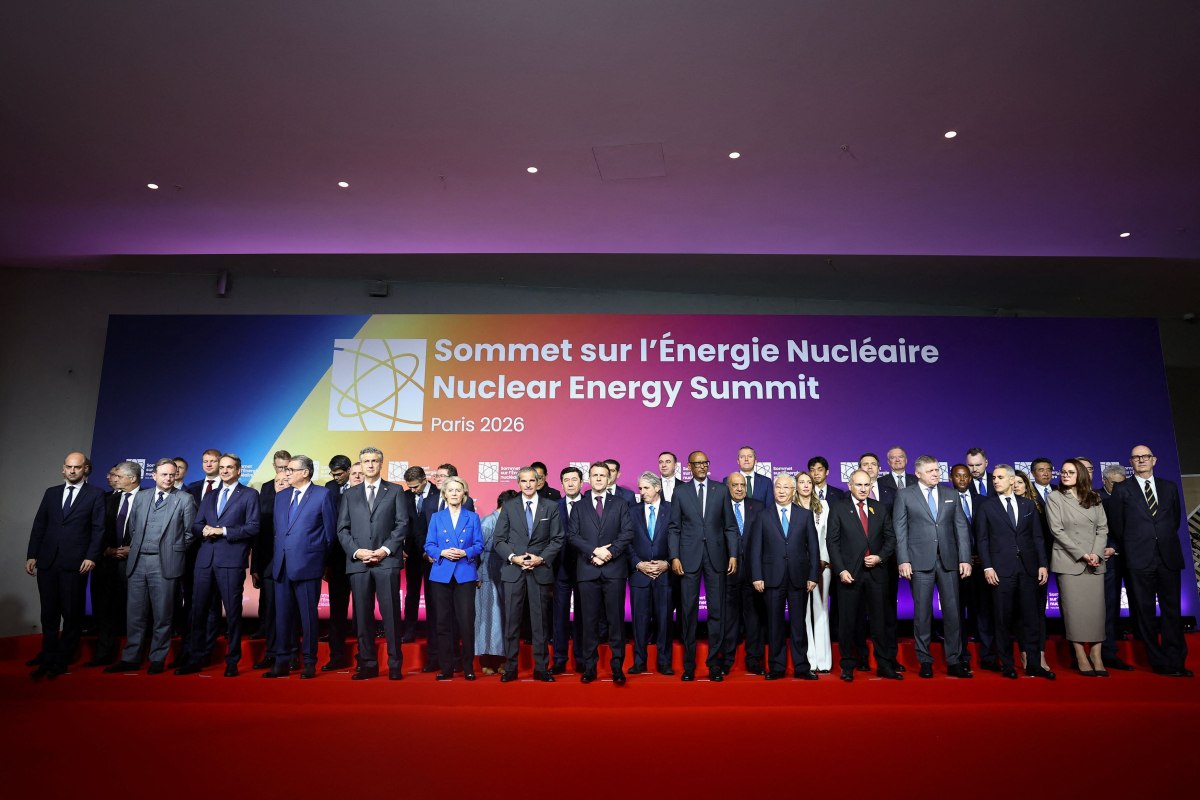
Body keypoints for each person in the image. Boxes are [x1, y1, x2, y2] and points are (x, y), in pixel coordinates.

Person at [105, 458, 196, 675]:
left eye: (172, 474)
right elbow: (133, 528)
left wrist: (172, 551)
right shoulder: (142, 497)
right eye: (164, 474)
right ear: (154, 476)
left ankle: (157, 658)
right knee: (135, 614)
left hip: (165, 563)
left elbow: (190, 533)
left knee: (163, 615)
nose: (168, 478)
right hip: (137, 561)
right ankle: (131, 658)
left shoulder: (185, 499)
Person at [1107, 445, 1190, 677]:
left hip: (1168, 557)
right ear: (1130, 462)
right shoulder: (1122, 490)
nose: (1141, 460)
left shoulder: (1169, 487)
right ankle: (1158, 661)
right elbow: (1118, 526)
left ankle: (1176, 662)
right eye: (1136, 457)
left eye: (1146, 456)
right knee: (1144, 613)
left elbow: (1174, 520)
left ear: (1154, 460)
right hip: (1138, 558)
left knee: (1172, 612)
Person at [176, 454, 259, 677]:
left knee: (232, 613)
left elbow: (253, 527)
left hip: (231, 561)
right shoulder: (210, 495)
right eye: (221, 467)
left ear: (239, 470)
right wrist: (203, 530)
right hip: (205, 561)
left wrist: (222, 531)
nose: (224, 470)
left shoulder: (249, 494)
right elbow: (196, 525)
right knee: (198, 611)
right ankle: (195, 658)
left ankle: (232, 661)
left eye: (229, 467)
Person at [26, 451, 106, 679]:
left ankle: (62, 659)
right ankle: (47, 656)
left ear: (86, 469)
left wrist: (91, 556)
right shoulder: (51, 493)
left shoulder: (95, 494)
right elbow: (39, 525)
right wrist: (32, 554)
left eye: (77, 467)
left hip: (76, 563)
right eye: (69, 466)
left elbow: (98, 529)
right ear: (63, 468)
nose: (72, 471)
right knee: (48, 613)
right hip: (48, 561)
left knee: (72, 614)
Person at [894, 455, 973, 679]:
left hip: (949, 561)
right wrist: (903, 560)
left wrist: (965, 559)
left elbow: (961, 529)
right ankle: (925, 661)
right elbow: (900, 530)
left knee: (953, 613)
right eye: (930, 471)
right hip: (919, 562)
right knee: (922, 614)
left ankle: (954, 660)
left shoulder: (951, 494)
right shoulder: (905, 495)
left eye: (937, 470)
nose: (936, 474)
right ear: (918, 473)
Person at [337, 446, 409, 681]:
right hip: (359, 564)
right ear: (360, 464)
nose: (370, 464)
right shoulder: (349, 494)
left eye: (374, 461)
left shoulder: (395, 490)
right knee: (362, 616)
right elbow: (342, 529)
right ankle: (367, 664)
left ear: (381, 464)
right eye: (366, 461)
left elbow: (402, 524)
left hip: (386, 561)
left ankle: (395, 664)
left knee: (391, 615)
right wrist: (357, 552)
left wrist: (384, 550)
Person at [977, 465, 1054, 680]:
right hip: (1001, 570)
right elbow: (982, 540)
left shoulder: (1028, 504)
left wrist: (1042, 564)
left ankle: (1034, 665)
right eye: (994, 477)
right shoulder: (987, 506)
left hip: (1028, 569)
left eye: (1000, 477)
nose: (995, 481)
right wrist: (987, 566)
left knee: (1031, 618)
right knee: (1003, 619)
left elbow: (1037, 537)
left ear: (1012, 480)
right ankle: (1007, 664)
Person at [667, 450, 738, 682]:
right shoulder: (680, 492)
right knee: (688, 611)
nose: (702, 466)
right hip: (688, 558)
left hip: (717, 557)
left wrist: (733, 554)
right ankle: (689, 666)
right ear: (689, 466)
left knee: (717, 611)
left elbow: (730, 526)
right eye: (697, 463)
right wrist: (674, 556)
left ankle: (714, 664)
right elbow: (674, 527)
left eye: (705, 463)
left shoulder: (721, 490)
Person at [264, 455, 337, 679]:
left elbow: (330, 534)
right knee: (282, 617)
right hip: (282, 566)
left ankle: (309, 662)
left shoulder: (322, 495)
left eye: (291, 470)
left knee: (308, 618)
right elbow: (278, 531)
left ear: (305, 472)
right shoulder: (281, 496)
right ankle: (282, 661)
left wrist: (320, 561)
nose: (286, 473)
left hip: (308, 566)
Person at [827, 468, 900, 681]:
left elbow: (891, 538)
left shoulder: (880, 508)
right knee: (848, 622)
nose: (863, 489)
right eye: (858, 484)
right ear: (850, 486)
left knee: (880, 622)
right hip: (849, 575)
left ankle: (884, 665)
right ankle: (847, 666)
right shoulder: (839, 508)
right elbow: (832, 542)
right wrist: (841, 569)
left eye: (866, 485)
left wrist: (880, 557)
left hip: (877, 574)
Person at [494, 466, 563, 682]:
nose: (528, 484)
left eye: (532, 480)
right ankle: (511, 668)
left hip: (539, 570)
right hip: (513, 570)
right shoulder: (509, 506)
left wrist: (540, 558)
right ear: (519, 483)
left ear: (538, 481)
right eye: (524, 481)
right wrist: (513, 557)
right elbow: (499, 540)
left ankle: (541, 669)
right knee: (512, 621)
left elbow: (557, 539)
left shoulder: (551, 506)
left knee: (540, 623)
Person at [568, 462, 634, 684]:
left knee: (616, 621)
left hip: (614, 571)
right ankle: (590, 668)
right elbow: (572, 536)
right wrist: (594, 551)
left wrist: (609, 553)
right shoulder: (579, 506)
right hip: (588, 570)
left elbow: (627, 533)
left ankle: (617, 667)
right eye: (595, 475)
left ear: (609, 479)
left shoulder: (621, 504)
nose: (598, 479)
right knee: (589, 622)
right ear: (589, 478)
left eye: (602, 475)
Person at [749, 474, 819, 680]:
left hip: (799, 577)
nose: (781, 491)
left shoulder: (805, 515)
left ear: (793, 491)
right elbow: (756, 549)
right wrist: (757, 576)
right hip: (772, 578)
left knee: (798, 625)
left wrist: (813, 575)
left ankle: (802, 667)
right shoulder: (763, 515)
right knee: (774, 625)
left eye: (786, 487)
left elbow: (813, 548)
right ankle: (777, 667)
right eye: (778, 487)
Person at [1046, 459, 1109, 676]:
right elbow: (1057, 530)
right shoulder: (1055, 497)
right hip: (1070, 561)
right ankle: (1080, 655)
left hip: (1094, 562)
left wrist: (1096, 553)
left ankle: (1096, 655)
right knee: (1073, 612)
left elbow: (1102, 528)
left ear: (1080, 474)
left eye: (1070, 472)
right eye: (1063, 472)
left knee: (1096, 612)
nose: (1065, 475)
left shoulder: (1094, 497)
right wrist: (1082, 554)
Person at [425, 475, 482, 680]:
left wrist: (465, 552)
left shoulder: (472, 517)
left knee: (466, 623)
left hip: (465, 573)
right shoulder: (436, 517)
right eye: (451, 490)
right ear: (444, 494)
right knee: (442, 623)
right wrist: (442, 552)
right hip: (441, 574)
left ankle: (467, 667)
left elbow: (479, 545)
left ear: (464, 494)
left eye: (458, 490)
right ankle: (446, 667)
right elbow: (429, 545)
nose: (455, 493)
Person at [86, 460, 142, 667]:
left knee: (135, 612)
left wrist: (133, 549)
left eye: (118, 476)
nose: (112, 478)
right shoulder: (106, 499)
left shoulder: (147, 498)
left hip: (136, 563)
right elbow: (94, 529)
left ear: (132, 478)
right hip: (107, 563)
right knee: (104, 610)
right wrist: (105, 550)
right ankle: (103, 654)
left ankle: (133, 656)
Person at [250, 450, 292, 671]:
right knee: (270, 611)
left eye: (287, 469)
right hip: (268, 563)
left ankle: (292, 655)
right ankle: (271, 653)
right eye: (279, 469)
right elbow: (259, 531)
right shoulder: (266, 489)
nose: (282, 476)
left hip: (294, 565)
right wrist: (255, 565)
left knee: (291, 612)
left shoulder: (303, 495)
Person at [721, 472, 766, 676]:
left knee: (754, 617)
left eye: (742, 485)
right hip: (727, 571)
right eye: (735, 485)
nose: (739, 489)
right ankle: (727, 659)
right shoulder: (720, 506)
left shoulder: (758, 506)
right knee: (729, 617)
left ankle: (754, 659)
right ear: (728, 487)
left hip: (752, 571)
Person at [628, 472, 673, 675]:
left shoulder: (672, 510)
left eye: (646, 488)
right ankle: (639, 661)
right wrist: (638, 564)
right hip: (639, 575)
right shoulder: (632, 511)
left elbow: (680, 539)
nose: (642, 492)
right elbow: (626, 541)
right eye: (640, 488)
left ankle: (664, 662)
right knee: (639, 621)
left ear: (657, 488)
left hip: (665, 575)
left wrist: (668, 563)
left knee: (664, 620)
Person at [951, 463, 994, 671]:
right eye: (957, 476)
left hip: (981, 566)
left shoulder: (984, 501)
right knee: (957, 614)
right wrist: (963, 558)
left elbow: (990, 533)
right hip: (956, 566)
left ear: (970, 478)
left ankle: (988, 656)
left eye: (965, 476)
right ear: (951, 478)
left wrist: (983, 559)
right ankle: (961, 656)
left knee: (985, 611)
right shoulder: (944, 500)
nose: (962, 479)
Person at [1014, 467, 1053, 673]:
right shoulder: (1003, 506)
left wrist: (1042, 564)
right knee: (1020, 612)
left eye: (1020, 482)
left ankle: (1040, 654)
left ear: (1026, 485)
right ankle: (1025, 653)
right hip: (1014, 567)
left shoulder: (1037, 507)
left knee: (1038, 611)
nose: (1016, 486)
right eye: (1013, 482)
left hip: (1037, 565)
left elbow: (1041, 539)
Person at [795, 472, 832, 672]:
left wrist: (823, 559)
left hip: (821, 565)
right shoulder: (791, 507)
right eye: (801, 482)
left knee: (821, 609)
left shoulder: (823, 506)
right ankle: (809, 659)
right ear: (796, 485)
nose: (806, 485)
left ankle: (824, 660)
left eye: (808, 482)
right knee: (803, 612)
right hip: (799, 565)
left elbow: (828, 535)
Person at [1098, 464, 1134, 671]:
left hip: (1134, 559)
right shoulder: (1096, 498)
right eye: (1114, 484)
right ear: (1104, 481)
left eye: (1123, 483)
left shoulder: (1133, 496)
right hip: (1107, 559)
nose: (1120, 488)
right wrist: (1111, 547)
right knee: (1108, 607)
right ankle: (1107, 652)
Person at [477, 490, 514, 675]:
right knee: (488, 618)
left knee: (505, 618)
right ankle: (487, 661)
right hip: (487, 574)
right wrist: (477, 576)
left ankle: (503, 660)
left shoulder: (511, 521)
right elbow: (477, 551)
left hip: (507, 573)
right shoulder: (488, 522)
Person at [552, 466, 585, 673]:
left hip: (586, 568)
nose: (571, 483)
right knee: (559, 616)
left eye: (574, 479)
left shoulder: (591, 505)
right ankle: (559, 658)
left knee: (583, 615)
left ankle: (582, 658)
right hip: (560, 569)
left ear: (581, 483)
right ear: (562, 484)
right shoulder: (554, 507)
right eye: (566, 480)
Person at [401, 465, 436, 643]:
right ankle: (409, 630)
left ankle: (433, 632)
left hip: (433, 554)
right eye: (410, 487)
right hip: (412, 553)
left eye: (415, 486)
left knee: (433, 595)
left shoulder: (439, 494)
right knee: (412, 593)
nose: (412, 490)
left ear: (424, 480)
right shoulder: (405, 496)